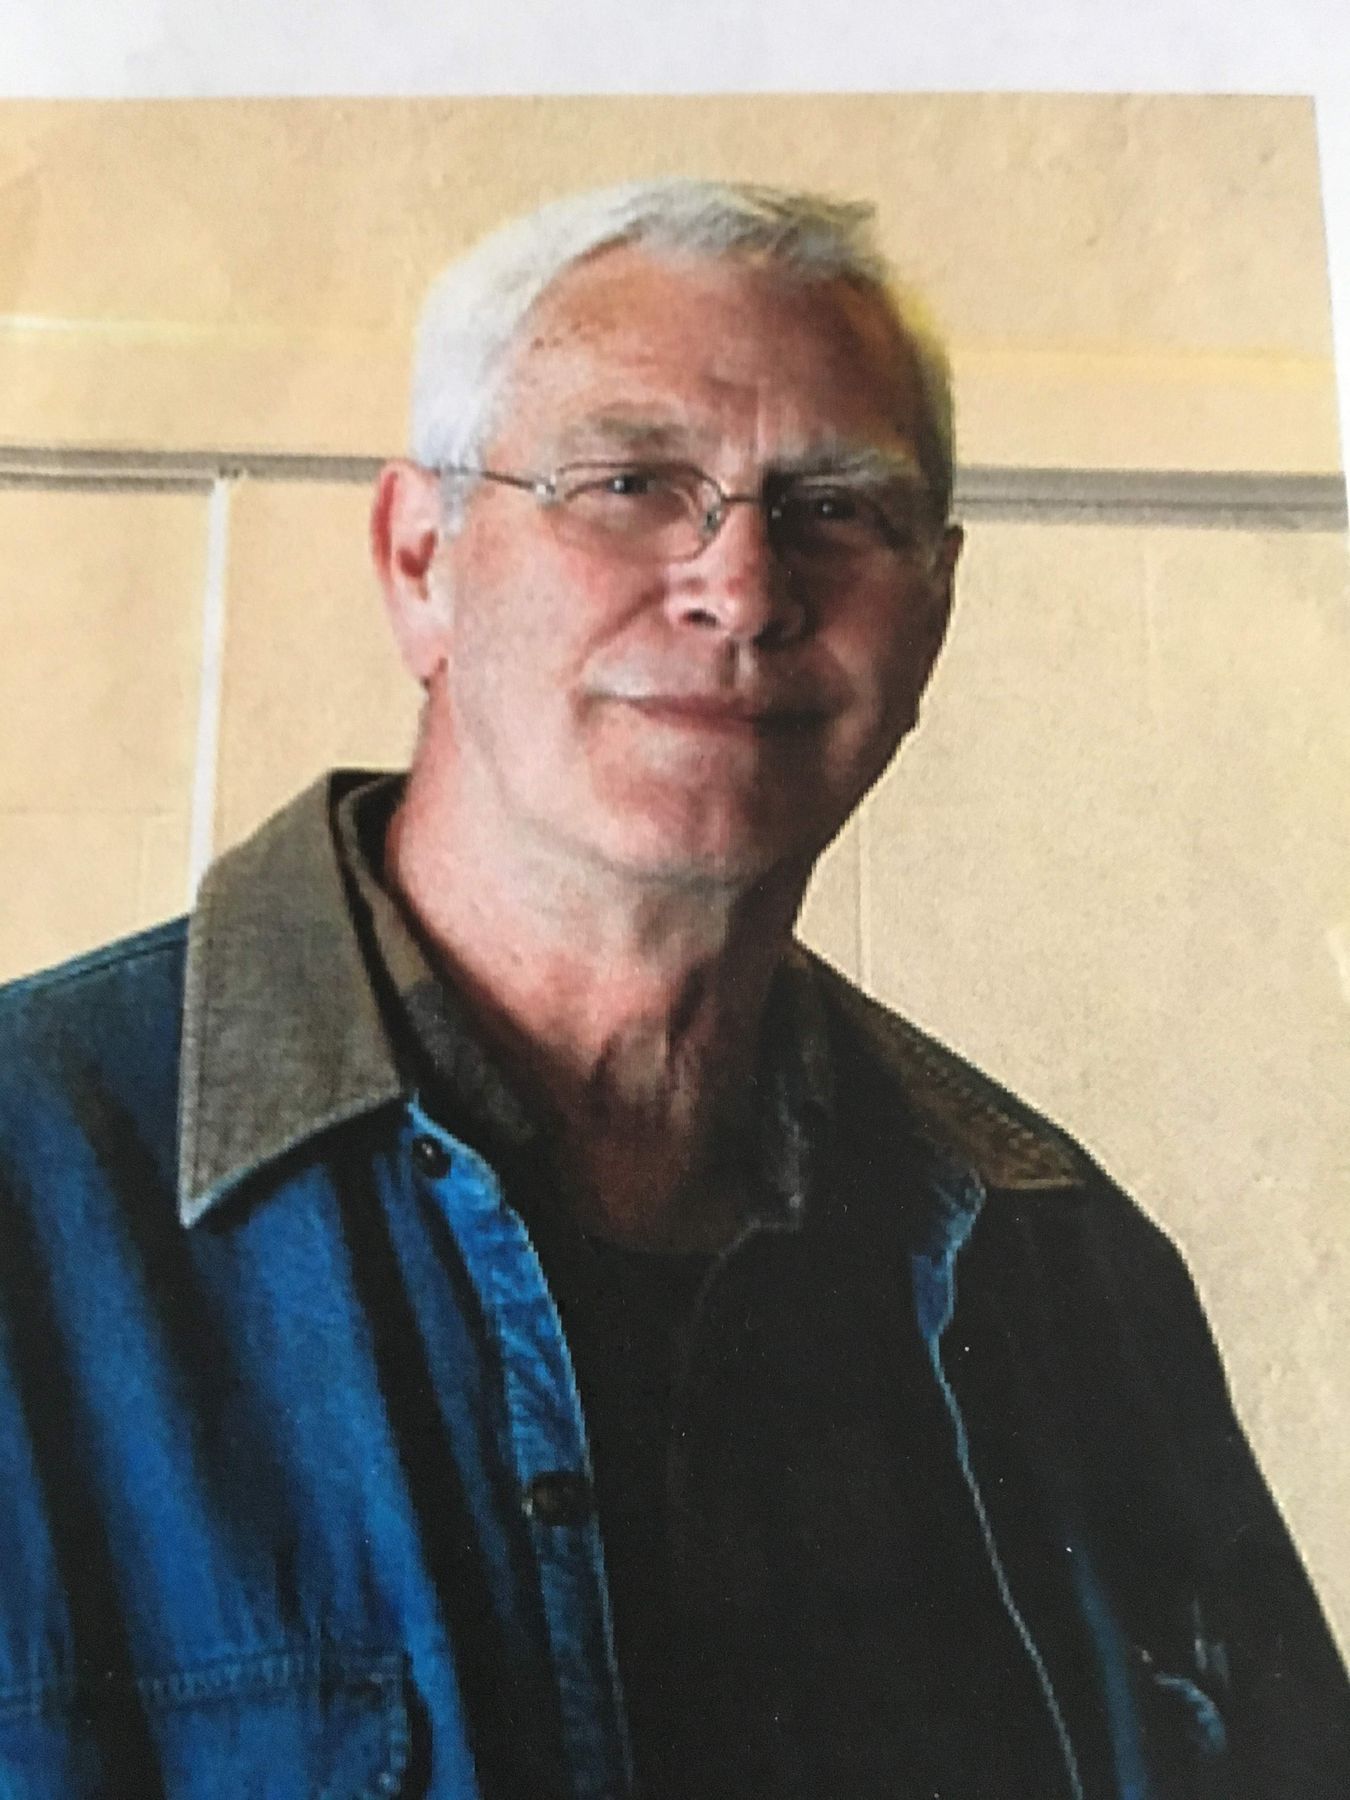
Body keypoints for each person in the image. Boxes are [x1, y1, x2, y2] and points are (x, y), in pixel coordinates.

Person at [0, 179, 1345, 1800]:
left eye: (833, 506)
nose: (742, 589)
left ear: (931, 613)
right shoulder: (30, 1184)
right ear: (420, 561)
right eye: (631, 484)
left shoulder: (1064, 1267)